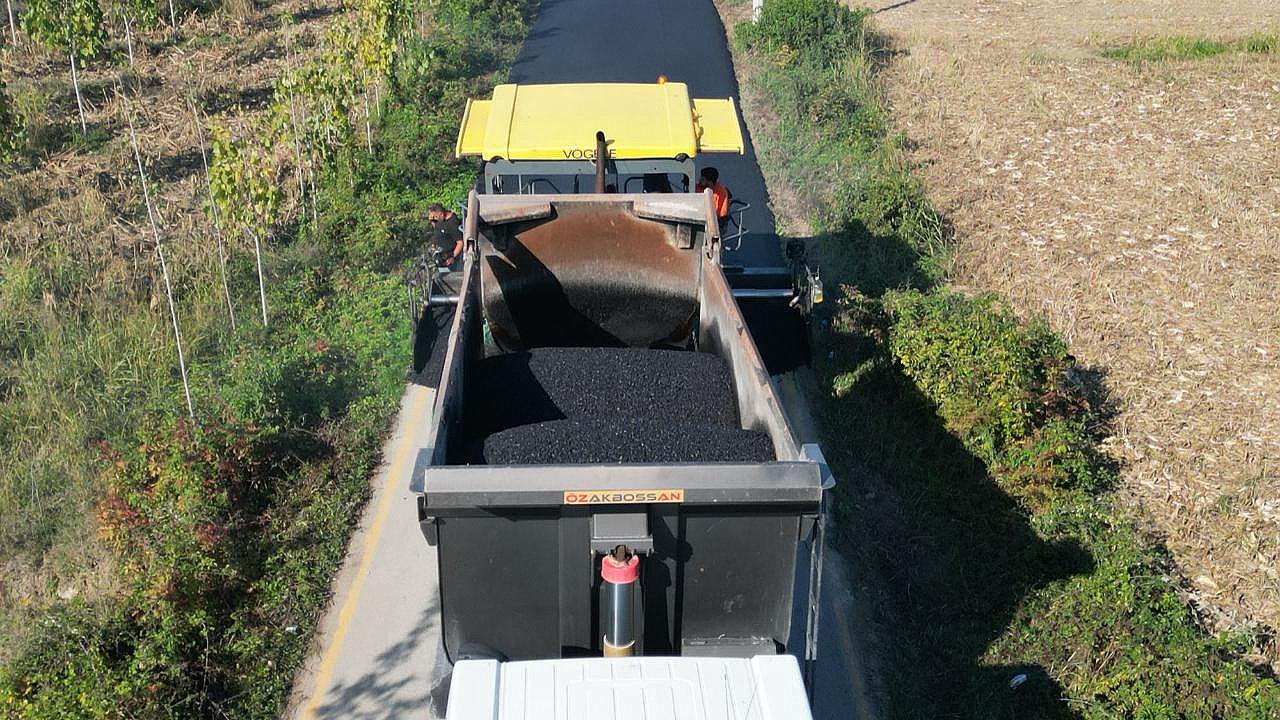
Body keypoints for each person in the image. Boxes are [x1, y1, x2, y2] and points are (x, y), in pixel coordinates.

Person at [428, 203, 463, 270]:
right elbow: (438, 228)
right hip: (439, 253)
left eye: (436, 217)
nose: (435, 219)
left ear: (441, 214)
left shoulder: (452, 224)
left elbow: (460, 243)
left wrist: (452, 257)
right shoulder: (441, 219)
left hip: (450, 257)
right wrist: (432, 221)